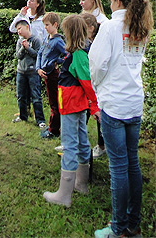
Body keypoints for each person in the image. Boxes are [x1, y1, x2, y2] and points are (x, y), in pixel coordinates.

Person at [89, 0, 154, 238]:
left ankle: (118, 229)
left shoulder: (110, 27)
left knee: (118, 168)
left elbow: (97, 64)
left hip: (114, 105)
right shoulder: (140, 26)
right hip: (133, 102)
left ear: (116, 1)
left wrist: (98, 88)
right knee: (132, 164)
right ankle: (133, 226)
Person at [43, 14, 100, 208]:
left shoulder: (78, 54)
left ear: (70, 33)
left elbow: (87, 82)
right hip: (76, 104)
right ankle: (80, 184)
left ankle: (64, 194)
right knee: (82, 141)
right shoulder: (79, 52)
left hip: (72, 104)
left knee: (69, 144)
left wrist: (94, 106)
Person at [79, 0, 108, 159]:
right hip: (83, 67)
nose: (81, 2)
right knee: (82, 107)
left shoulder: (102, 21)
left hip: (96, 71)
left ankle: (101, 144)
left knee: (98, 108)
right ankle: (77, 140)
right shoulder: (82, 15)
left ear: (93, 1)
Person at [36, 12, 67, 139]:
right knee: (51, 101)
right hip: (45, 74)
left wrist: (56, 62)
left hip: (53, 75)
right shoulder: (46, 38)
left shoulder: (58, 41)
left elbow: (67, 55)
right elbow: (39, 54)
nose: (45, 27)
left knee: (55, 103)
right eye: (44, 25)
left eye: (47, 25)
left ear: (55, 25)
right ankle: (52, 127)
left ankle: (54, 130)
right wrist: (38, 68)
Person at [12, 19, 46, 128]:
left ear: (27, 27)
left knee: (36, 96)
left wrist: (28, 48)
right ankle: (23, 116)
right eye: (17, 30)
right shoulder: (19, 41)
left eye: (19, 29)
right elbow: (18, 56)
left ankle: (40, 120)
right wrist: (23, 47)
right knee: (21, 96)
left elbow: (38, 55)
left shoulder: (36, 40)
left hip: (33, 72)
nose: (18, 32)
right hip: (21, 72)